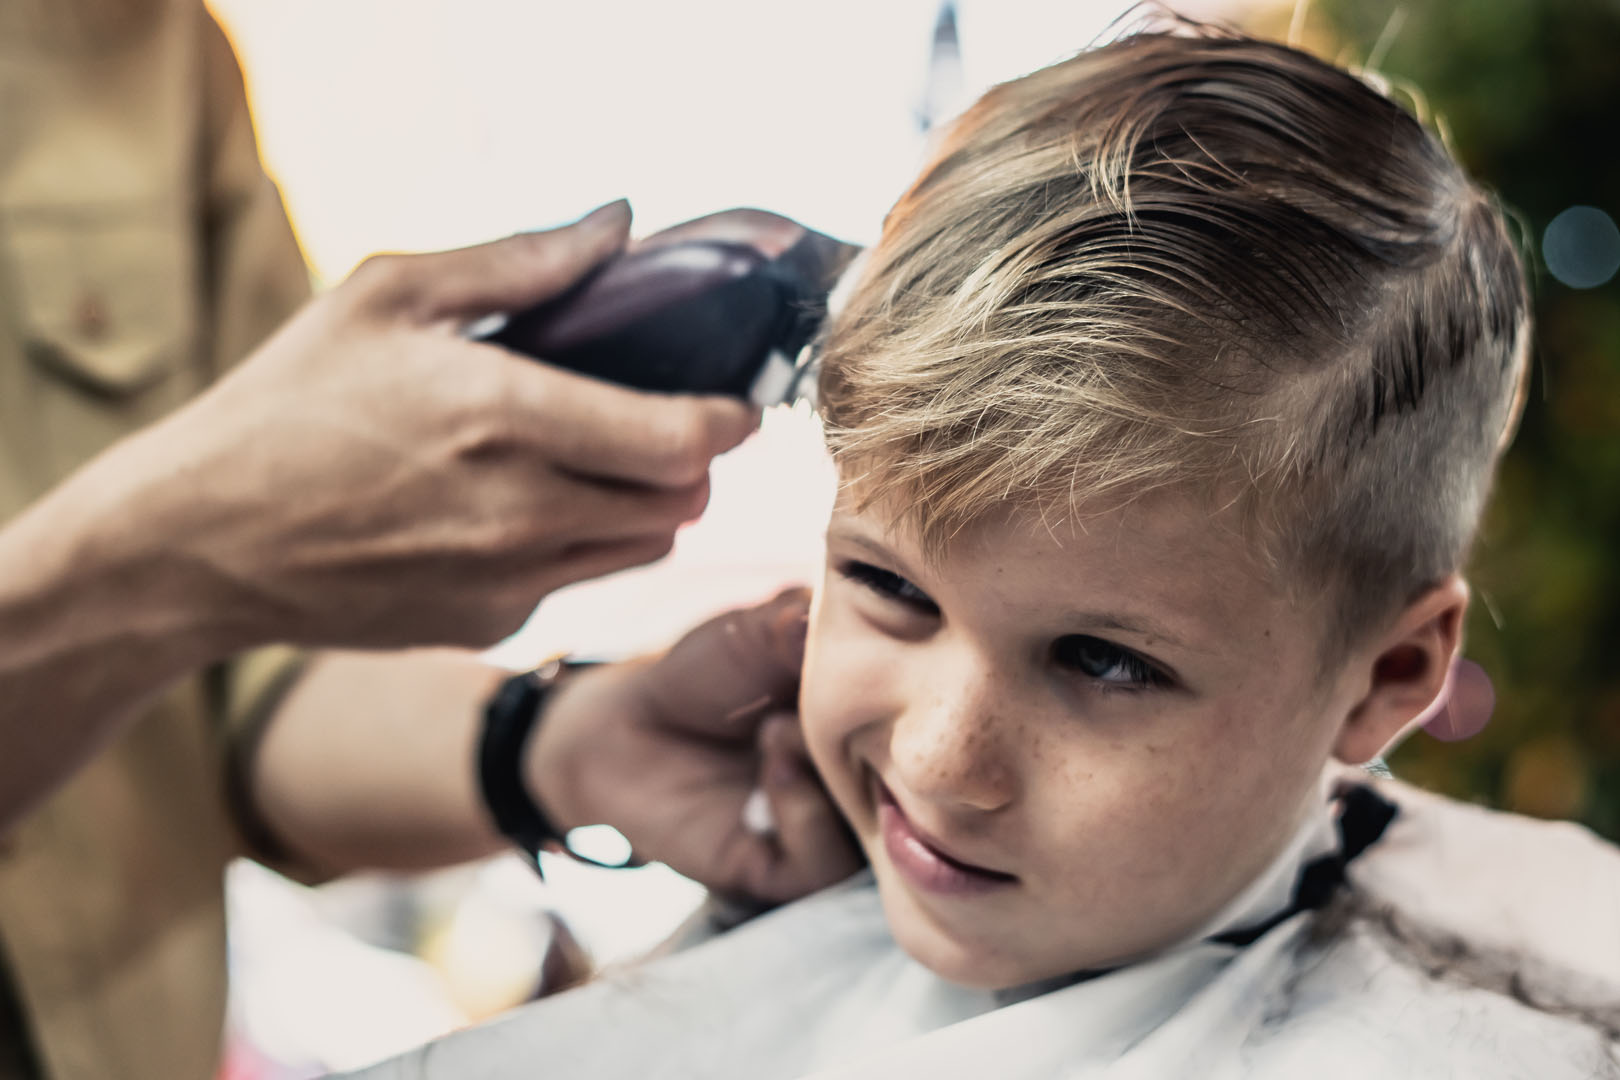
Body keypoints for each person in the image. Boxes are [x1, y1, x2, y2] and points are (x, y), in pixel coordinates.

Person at [337, 18, 1620, 1080]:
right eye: (890, 587)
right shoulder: (797, 890)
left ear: (1393, 678)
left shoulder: (1523, 1021)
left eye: (1106, 663)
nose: (943, 761)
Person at [0, 5, 854, 1079]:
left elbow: (234, 697)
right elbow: (194, 594)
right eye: (890, 588)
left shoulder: (139, 45)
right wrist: (166, 562)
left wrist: (552, 744)